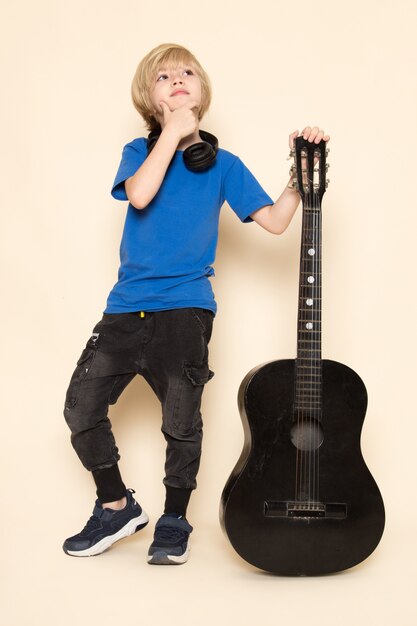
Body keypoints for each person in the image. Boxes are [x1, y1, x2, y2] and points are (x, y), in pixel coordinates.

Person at [62, 42, 330, 565]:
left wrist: (300, 174)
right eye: (164, 77)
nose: (177, 79)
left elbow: (275, 221)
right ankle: (115, 506)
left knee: (181, 423)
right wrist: (173, 133)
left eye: (187, 72)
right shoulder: (140, 152)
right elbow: (140, 195)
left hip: (186, 310)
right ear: (151, 98)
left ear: (202, 91)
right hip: (125, 309)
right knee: (80, 410)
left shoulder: (223, 165)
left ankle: (174, 519)